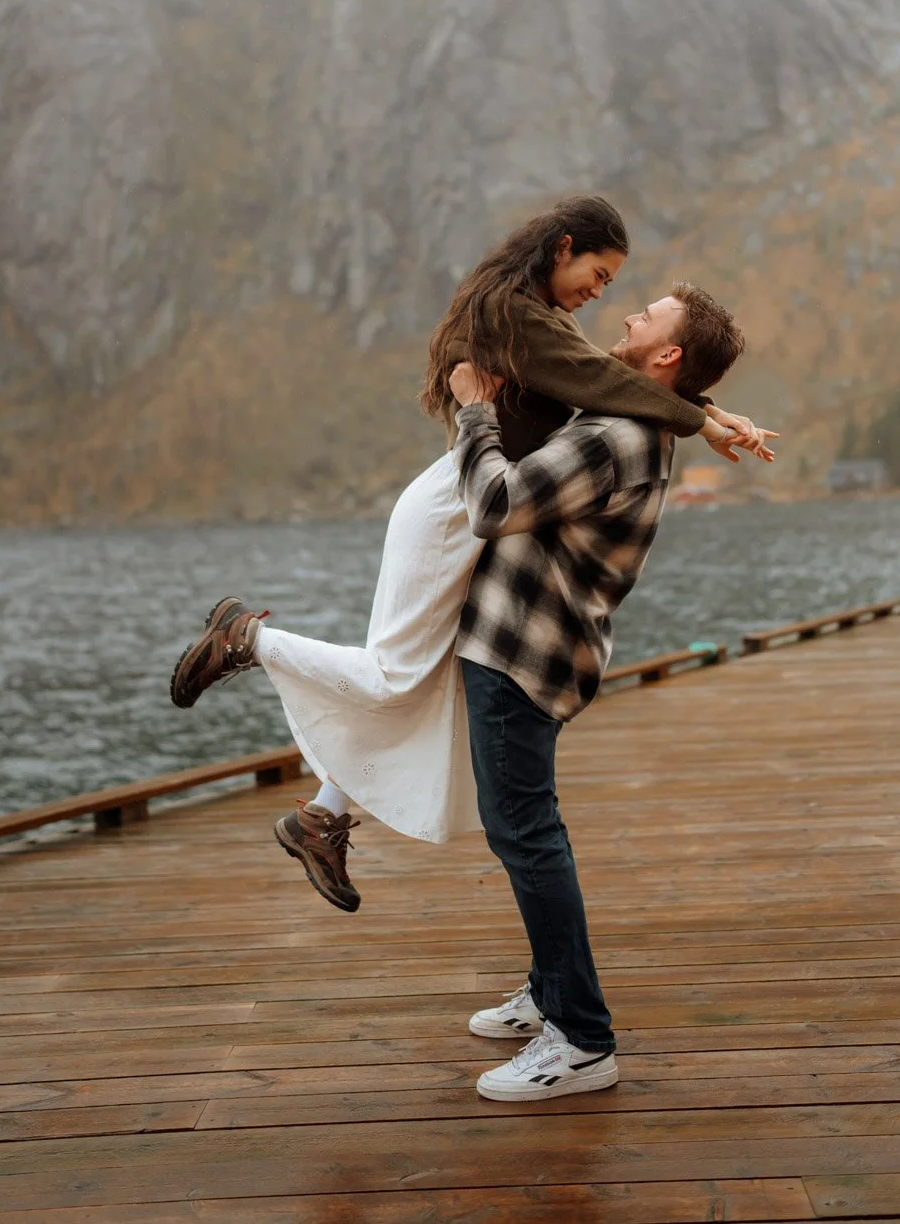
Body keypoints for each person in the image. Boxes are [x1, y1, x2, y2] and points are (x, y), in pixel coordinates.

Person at [168, 197, 772, 911]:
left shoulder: (538, 315)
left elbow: (613, 381)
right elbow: (604, 382)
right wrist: (701, 420)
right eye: (600, 274)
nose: (603, 297)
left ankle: (322, 816)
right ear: (563, 246)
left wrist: (705, 410)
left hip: (476, 499)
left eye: (613, 287)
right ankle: (248, 639)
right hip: (457, 507)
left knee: (440, 686)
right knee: (396, 675)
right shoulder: (513, 313)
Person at [449, 283, 757, 1102]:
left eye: (646, 316)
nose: (623, 315)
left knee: (525, 834)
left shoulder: (617, 436)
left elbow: (493, 503)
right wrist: (716, 414)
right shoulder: (636, 415)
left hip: (526, 651)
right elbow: (598, 373)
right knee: (522, 829)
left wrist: (474, 410)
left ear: (665, 356)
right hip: (531, 644)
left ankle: (581, 1040)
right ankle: (549, 992)